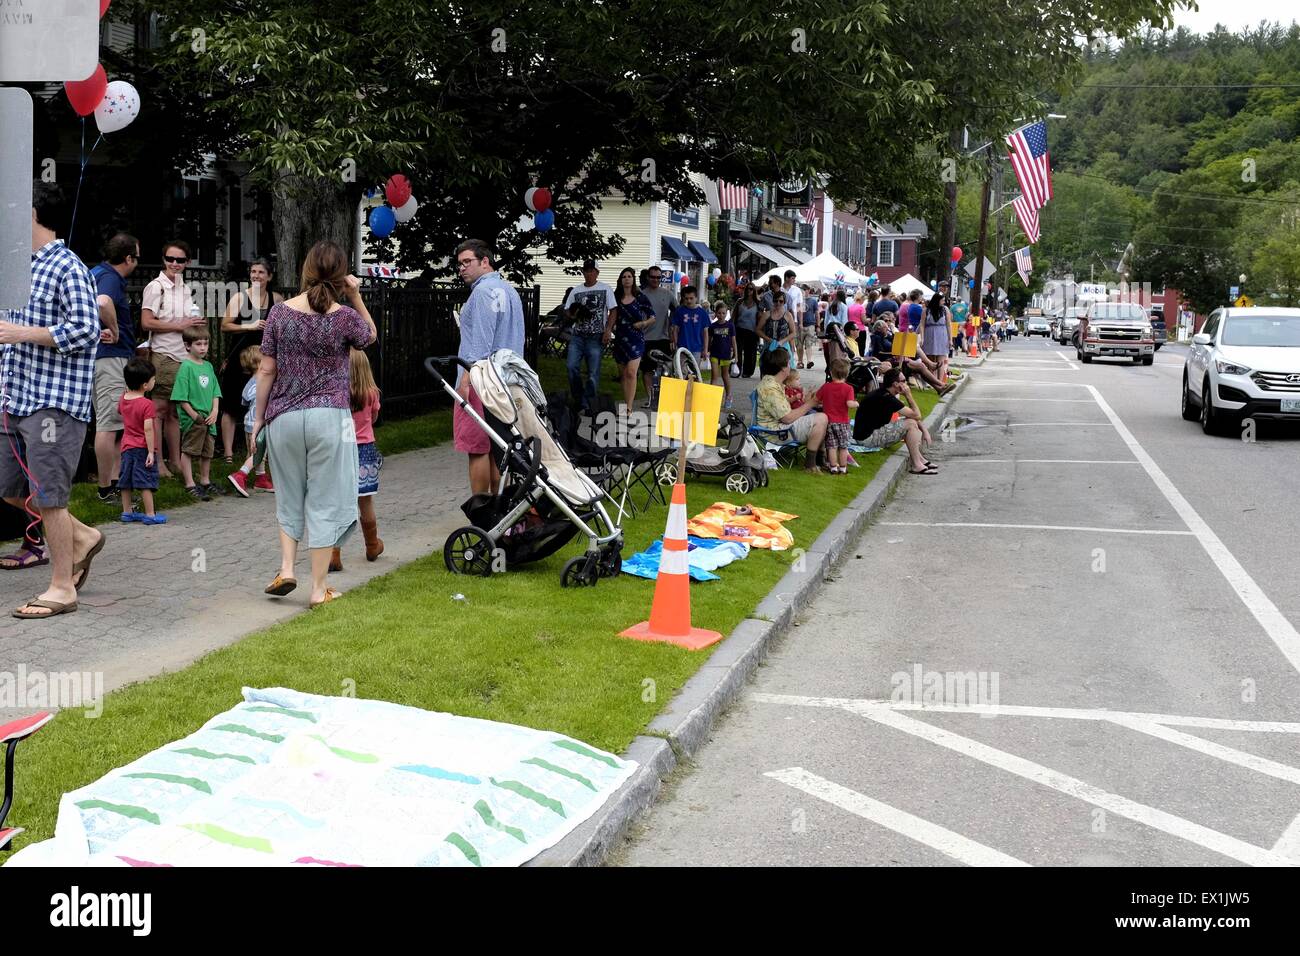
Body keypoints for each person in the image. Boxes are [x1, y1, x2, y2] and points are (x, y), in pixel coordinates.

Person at [0, 183, 105, 618]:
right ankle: (83, 537)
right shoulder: (15, 267)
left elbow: (86, 330)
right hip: (13, 395)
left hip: (53, 402)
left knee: (50, 497)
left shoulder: (67, 266)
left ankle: (63, 588)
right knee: (8, 489)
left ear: (33, 214)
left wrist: (25, 334)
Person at [254, 240, 377, 608]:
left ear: (306, 271)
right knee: (324, 499)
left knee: (290, 494)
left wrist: (258, 419)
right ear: (342, 276)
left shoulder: (279, 313)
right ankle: (318, 588)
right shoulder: (343, 317)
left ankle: (287, 568)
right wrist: (356, 296)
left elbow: (266, 368)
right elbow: (369, 336)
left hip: (284, 417)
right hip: (332, 419)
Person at [453, 239, 525, 493]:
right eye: (459, 264)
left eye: (467, 262)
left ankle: (482, 512)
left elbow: (481, 343)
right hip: (507, 381)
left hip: (481, 379)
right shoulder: (511, 291)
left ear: (485, 261)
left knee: (477, 448)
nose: (461, 268)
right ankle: (499, 510)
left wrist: (465, 379)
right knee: (498, 447)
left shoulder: (482, 293)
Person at [141, 239, 205, 479]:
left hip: (183, 356)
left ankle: (176, 460)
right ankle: (157, 462)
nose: (174, 264)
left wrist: (194, 325)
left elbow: (187, 321)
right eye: (170, 259)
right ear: (164, 260)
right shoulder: (155, 287)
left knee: (176, 412)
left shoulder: (185, 289)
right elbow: (147, 322)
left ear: (187, 262)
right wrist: (179, 325)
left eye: (180, 260)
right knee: (158, 410)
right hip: (163, 355)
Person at [91, 232, 140, 502]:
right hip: (110, 357)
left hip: (101, 358)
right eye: (137, 257)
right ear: (128, 258)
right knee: (109, 424)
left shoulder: (96, 272)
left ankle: (115, 482)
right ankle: (105, 489)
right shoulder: (110, 277)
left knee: (115, 422)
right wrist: (114, 328)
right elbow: (103, 302)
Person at [219, 258, 281, 463]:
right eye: (253, 272)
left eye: (261, 272)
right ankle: (228, 453)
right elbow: (225, 326)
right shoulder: (240, 297)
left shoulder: (277, 299)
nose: (256, 276)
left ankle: (259, 452)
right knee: (230, 406)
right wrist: (249, 326)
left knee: (262, 405)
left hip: (265, 360)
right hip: (240, 358)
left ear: (269, 276)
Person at [331, 348, 384, 572]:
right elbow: (374, 418)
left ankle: (334, 554)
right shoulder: (372, 393)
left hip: (342, 449)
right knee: (365, 501)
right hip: (366, 451)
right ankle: (372, 545)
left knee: (338, 503)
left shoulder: (336, 393)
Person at [755, 348, 828, 474]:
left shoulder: (773, 382)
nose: (790, 365)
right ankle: (810, 465)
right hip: (775, 432)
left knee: (823, 416)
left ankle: (819, 460)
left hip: (780, 426)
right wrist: (811, 403)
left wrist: (808, 402)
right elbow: (787, 418)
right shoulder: (770, 388)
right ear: (783, 368)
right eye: (789, 362)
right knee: (821, 418)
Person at [172, 325, 223, 500]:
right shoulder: (185, 367)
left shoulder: (208, 366)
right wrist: (194, 415)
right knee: (189, 450)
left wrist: (215, 410)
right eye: (198, 344)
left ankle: (205, 480)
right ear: (187, 346)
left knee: (207, 451)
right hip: (194, 419)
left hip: (210, 418)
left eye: (205, 344)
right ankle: (189, 483)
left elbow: (215, 391)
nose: (202, 348)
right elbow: (180, 397)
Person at [854, 368, 935, 474]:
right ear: (896, 384)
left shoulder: (884, 394)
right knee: (910, 424)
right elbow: (917, 415)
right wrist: (908, 395)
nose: (906, 384)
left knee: (911, 422)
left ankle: (919, 460)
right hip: (867, 438)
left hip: (871, 432)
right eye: (903, 381)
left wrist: (925, 431)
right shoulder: (887, 398)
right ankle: (916, 464)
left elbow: (913, 416)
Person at [116, 357, 166, 525]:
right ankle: (150, 514)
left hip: (126, 446)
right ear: (145, 385)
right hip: (142, 447)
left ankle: (127, 512)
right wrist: (151, 451)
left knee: (126, 479)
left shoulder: (123, 398)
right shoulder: (147, 404)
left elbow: (120, 412)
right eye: (153, 379)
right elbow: (148, 429)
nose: (154, 381)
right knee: (145, 480)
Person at [562, 259, 615, 414]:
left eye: (592, 270)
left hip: (596, 335)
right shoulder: (576, 291)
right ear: (583, 272)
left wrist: (608, 330)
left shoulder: (605, 289)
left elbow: (613, 310)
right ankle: (579, 399)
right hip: (578, 335)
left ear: (597, 272)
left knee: (593, 372)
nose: (588, 273)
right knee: (571, 366)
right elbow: (567, 310)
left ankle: (588, 403)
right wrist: (573, 313)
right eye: (586, 270)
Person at [606, 267, 655, 410]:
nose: (627, 279)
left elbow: (653, 317)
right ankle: (626, 401)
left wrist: (643, 323)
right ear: (620, 280)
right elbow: (612, 315)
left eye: (629, 276)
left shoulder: (640, 297)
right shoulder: (616, 298)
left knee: (631, 372)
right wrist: (609, 329)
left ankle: (629, 407)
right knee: (623, 374)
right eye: (624, 277)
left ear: (633, 280)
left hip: (636, 339)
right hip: (621, 338)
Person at [227, 346, 272, 496]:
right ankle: (240, 475)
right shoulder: (266, 380)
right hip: (261, 423)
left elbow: (245, 401)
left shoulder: (249, 383)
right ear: (260, 362)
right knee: (258, 454)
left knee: (255, 452)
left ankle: (261, 479)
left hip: (249, 423)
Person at [638, 265, 679, 406]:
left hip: (663, 337)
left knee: (666, 370)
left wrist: (672, 327)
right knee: (647, 370)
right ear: (648, 278)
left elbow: (677, 311)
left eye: (658, 277)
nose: (655, 280)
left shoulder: (667, 294)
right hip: (645, 338)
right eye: (653, 277)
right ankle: (650, 399)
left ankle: (664, 399)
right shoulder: (641, 294)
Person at [815, 359, 858, 474]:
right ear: (847, 373)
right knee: (843, 447)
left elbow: (817, 399)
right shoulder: (849, 388)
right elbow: (849, 403)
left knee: (831, 446)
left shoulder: (826, 387)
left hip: (829, 421)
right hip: (843, 422)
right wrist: (856, 403)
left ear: (830, 372)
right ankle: (843, 468)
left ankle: (833, 467)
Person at [670, 285, 709, 367]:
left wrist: (705, 349)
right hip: (682, 347)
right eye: (686, 298)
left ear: (696, 298)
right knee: (681, 372)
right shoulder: (679, 311)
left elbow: (705, 333)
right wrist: (676, 344)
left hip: (696, 348)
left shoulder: (702, 313)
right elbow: (675, 329)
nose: (689, 301)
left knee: (694, 373)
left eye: (691, 298)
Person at [708, 299, 735, 408]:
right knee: (714, 376)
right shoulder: (713, 326)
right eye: (719, 313)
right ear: (716, 313)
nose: (721, 315)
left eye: (723, 313)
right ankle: (713, 398)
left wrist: (736, 355)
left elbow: (733, 341)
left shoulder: (730, 326)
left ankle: (728, 396)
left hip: (726, 354)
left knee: (725, 376)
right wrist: (706, 350)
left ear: (726, 313)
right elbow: (709, 340)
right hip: (714, 354)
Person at [759, 291, 797, 368]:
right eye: (776, 301)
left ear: (784, 302)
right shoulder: (767, 314)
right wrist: (768, 339)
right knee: (766, 368)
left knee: (785, 369)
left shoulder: (788, 315)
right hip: (769, 346)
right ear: (773, 301)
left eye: (781, 301)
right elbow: (758, 329)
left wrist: (782, 341)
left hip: (783, 346)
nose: (778, 303)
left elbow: (793, 333)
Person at [921, 291, 952, 384]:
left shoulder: (945, 309)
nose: (944, 302)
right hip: (929, 334)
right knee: (930, 359)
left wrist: (950, 339)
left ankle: (940, 381)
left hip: (942, 334)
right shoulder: (926, 310)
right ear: (937, 300)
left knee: (941, 359)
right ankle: (932, 381)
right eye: (942, 300)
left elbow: (949, 324)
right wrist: (922, 337)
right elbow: (922, 324)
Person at [733, 284, 761, 378]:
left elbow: (760, 317)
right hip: (739, 329)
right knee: (738, 351)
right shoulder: (740, 301)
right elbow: (734, 316)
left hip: (752, 331)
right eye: (748, 289)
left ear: (754, 291)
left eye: (751, 289)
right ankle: (736, 370)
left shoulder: (758, 303)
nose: (749, 291)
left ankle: (747, 372)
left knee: (751, 353)